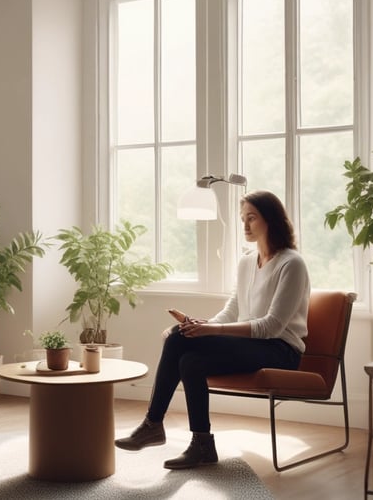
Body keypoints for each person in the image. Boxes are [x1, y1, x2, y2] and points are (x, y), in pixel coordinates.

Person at [115, 190, 310, 470]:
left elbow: (272, 326)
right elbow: (232, 309)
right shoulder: (246, 261)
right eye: (243, 218)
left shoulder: (292, 263)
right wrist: (200, 325)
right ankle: (202, 444)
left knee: (176, 338)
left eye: (252, 218)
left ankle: (152, 424)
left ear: (272, 220)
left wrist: (212, 330)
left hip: (281, 350)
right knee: (189, 358)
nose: (245, 225)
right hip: (253, 346)